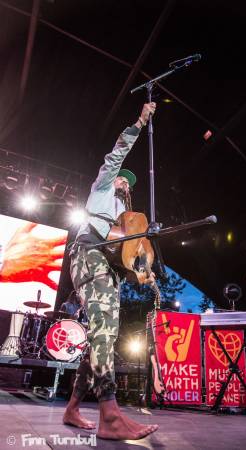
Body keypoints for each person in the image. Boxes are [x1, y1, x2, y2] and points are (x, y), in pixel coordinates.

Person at [63, 102, 158, 440]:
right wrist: (138, 123)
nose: (125, 183)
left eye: (128, 183)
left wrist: (144, 271)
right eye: (123, 179)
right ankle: (110, 414)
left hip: (110, 266)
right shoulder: (102, 190)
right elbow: (114, 157)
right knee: (104, 333)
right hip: (89, 252)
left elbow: (132, 260)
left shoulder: (126, 221)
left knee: (103, 335)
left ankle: (73, 407)